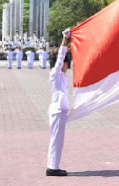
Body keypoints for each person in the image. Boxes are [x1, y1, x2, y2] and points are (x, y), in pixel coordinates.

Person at [46, 29, 70, 177]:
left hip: (60, 110)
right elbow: (61, 56)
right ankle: (52, 168)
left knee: (58, 140)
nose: (67, 66)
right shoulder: (55, 73)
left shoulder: (61, 76)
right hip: (57, 110)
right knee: (56, 140)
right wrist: (65, 39)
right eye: (66, 63)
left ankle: (53, 166)